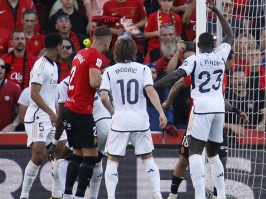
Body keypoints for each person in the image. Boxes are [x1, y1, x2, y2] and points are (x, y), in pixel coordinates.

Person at [153, 0, 234, 199]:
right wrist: (216, 11)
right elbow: (230, 35)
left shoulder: (195, 60)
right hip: (218, 109)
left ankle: (199, 195)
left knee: (195, 153)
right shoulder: (220, 55)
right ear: (213, 44)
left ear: (198, 45)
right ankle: (221, 195)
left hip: (202, 108)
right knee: (214, 154)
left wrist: (153, 85)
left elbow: (176, 76)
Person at [100, 37, 167, 199]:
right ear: (133, 51)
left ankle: (111, 196)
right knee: (148, 157)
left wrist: (111, 110)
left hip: (120, 120)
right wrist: (161, 112)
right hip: (140, 120)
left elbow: (103, 97)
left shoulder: (109, 70)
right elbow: (150, 91)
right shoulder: (143, 69)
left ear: (116, 51)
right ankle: (157, 192)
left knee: (113, 159)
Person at [61, 26, 112, 199]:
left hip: (69, 108)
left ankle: (67, 194)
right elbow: (94, 82)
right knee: (91, 155)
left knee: (77, 153)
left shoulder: (81, 53)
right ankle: (80, 196)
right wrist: (105, 77)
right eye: (109, 43)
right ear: (107, 41)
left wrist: (99, 73)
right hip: (82, 110)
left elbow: (85, 76)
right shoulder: (95, 56)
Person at [20, 33, 65, 199]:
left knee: (62, 152)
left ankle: (56, 194)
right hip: (38, 115)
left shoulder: (54, 66)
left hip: (51, 116)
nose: (65, 50)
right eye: (64, 47)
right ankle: (24, 195)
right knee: (39, 156)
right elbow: (34, 93)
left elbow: (50, 93)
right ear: (58, 47)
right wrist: (51, 112)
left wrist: (56, 112)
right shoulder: (41, 65)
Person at [0, 57, 22, 132]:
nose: (0, 69)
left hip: (7, 134)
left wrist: (14, 124)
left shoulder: (14, 87)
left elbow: (24, 110)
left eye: (2, 67)